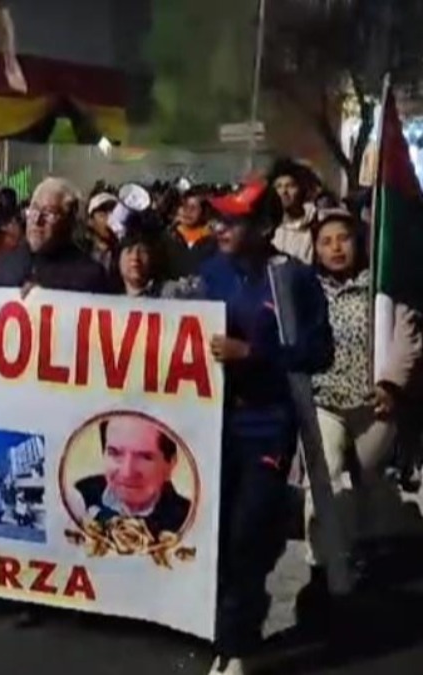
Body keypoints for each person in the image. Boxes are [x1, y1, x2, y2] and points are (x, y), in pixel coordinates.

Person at [198, 183, 334, 675]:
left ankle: (239, 647)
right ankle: (225, 636)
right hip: (209, 425)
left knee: (246, 535)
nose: (220, 228)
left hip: (267, 426)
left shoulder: (293, 278)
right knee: (213, 538)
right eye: (218, 219)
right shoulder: (208, 271)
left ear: (264, 228)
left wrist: (253, 355)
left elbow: (320, 352)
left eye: (232, 221)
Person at [297, 209, 421, 629]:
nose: (335, 248)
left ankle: (364, 557)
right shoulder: (306, 288)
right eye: (326, 241)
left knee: (370, 484)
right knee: (324, 479)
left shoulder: (383, 292)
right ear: (314, 248)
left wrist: (391, 385)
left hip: (374, 404)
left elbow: (409, 338)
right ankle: (323, 566)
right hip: (323, 401)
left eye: (343, 239)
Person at [70, 415, 192, 538]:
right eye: (115, 453)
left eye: (145, 457)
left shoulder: (187, 520)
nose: (126, 472)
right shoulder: (80, 496)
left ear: (170, 465)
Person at [266, 159, 317, 264]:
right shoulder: (268, 228)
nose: (284, 192)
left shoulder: (315, 224)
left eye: (290, 186)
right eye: (278, 186)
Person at [163, 189, 219, 279]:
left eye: (194, 207)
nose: (188, 211)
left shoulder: (214, 241)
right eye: (184, 205)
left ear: (204, 211)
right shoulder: (167, 238)